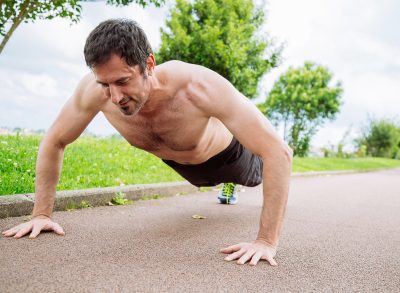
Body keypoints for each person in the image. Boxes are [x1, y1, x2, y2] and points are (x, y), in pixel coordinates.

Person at [2, 19, 292, 266]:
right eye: (105, 84)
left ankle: (233, 181)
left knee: (259, 167)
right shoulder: (94, 93)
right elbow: (54, 140)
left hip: (230, 158)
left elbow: (278, 152)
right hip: (183, 165)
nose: (115, 97)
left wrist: (266, 241)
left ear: (149, 64)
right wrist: (40, 214)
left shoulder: (197, 86)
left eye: (123, 81)